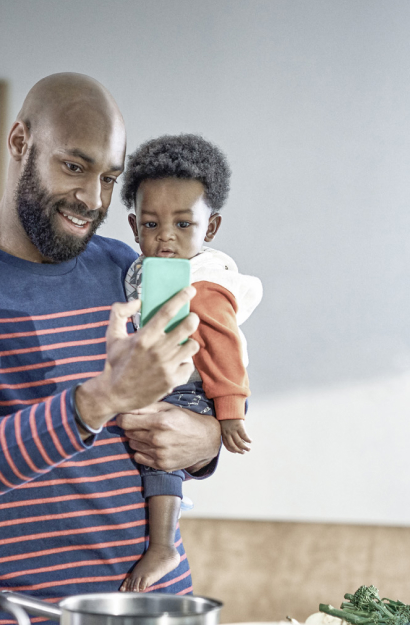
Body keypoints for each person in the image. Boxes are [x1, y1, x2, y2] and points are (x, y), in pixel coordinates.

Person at [0, 73, 222, 624]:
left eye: (109, 178)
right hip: (34, 614)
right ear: (21, 144)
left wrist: (205, 442)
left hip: (162, 606)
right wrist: (95, 401)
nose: (93, 199)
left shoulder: (129, 270)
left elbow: (196, 396)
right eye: (74, 166)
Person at [118, 134, 263, 592]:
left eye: (184, 224)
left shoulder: (205, 281)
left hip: (188, 389)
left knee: (159, 463)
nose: (165, 237)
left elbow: (226, 345)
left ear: (211, 227)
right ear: (132, 224)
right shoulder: (139, 269)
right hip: (160, 377)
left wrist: (230, 409)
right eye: (151, 224)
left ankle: (162, 544)